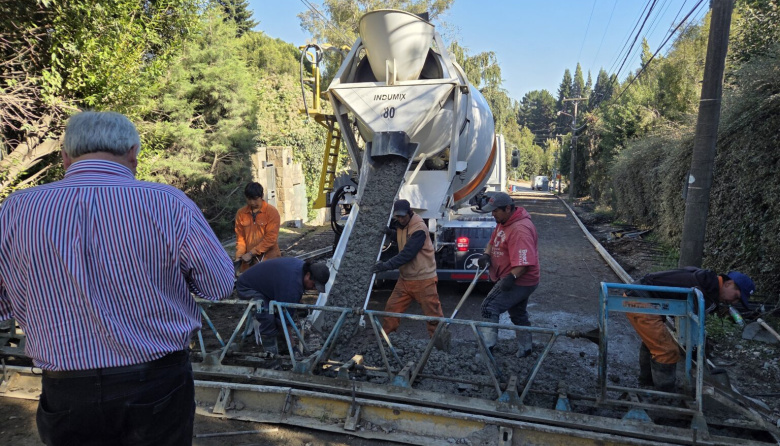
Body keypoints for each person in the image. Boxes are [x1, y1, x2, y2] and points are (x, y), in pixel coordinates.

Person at [0, 111, 235, 445]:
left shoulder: (16, 209)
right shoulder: (168, 204)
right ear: (133, 153)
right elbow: (219, 285)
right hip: (158, 384)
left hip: (66, 390)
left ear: (65, 156)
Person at [626, 267, 755, 392]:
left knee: (655, 343)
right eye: (736, 297)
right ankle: (665, 394)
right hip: (640, 299)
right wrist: (697, 356)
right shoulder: (704, 291)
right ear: (729, 283)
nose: (734, 302)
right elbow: (691, 326)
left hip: (645, 297)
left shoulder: (706, 282)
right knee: (667, 351)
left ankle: (647, 383)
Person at [372, 199, 449, 350]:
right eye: (397, 217)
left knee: (433, 316)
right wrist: (391, 233)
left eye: (403, 217)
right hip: (405, 279)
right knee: (391, 310)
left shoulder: (419, 228)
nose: (400, 219)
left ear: (410, 213)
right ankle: (384, 344)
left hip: (423, 279)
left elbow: (408, 253)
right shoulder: (401, 224)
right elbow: (402, 238)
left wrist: (386, 265)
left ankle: (440, 347)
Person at [476, 192, 540, 358]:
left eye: (496, 210)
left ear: (508, 208)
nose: (492, 214)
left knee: (488, 307)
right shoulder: (503, 221)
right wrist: (486, 255)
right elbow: (492, 241)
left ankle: (486, 350)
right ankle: (526, 349)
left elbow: (525, 263)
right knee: (518, 313)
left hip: (520, 278)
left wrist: (511, 278)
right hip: (514, 276)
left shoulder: (520, 230)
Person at [236, 257, 330, 354]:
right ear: (308, 275)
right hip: (247, 287)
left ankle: (282, 344)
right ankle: (271, 356)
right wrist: (293, 346)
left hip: (264, 286)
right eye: (313, 285)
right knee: (267, 316)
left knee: (280, 311)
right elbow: (283, 321)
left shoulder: (302, 268)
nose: (313, 289)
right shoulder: (292, 286)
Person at [234, 182, 281, 273]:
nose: (252, 202)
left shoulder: (272, 212)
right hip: (249, 263)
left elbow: (271, 239)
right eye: (249, 199)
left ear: (262, 196)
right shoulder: (241, 213)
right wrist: (239, 255)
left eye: (255, 199)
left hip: (269, 260)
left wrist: (252, 253)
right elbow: (240, 238)